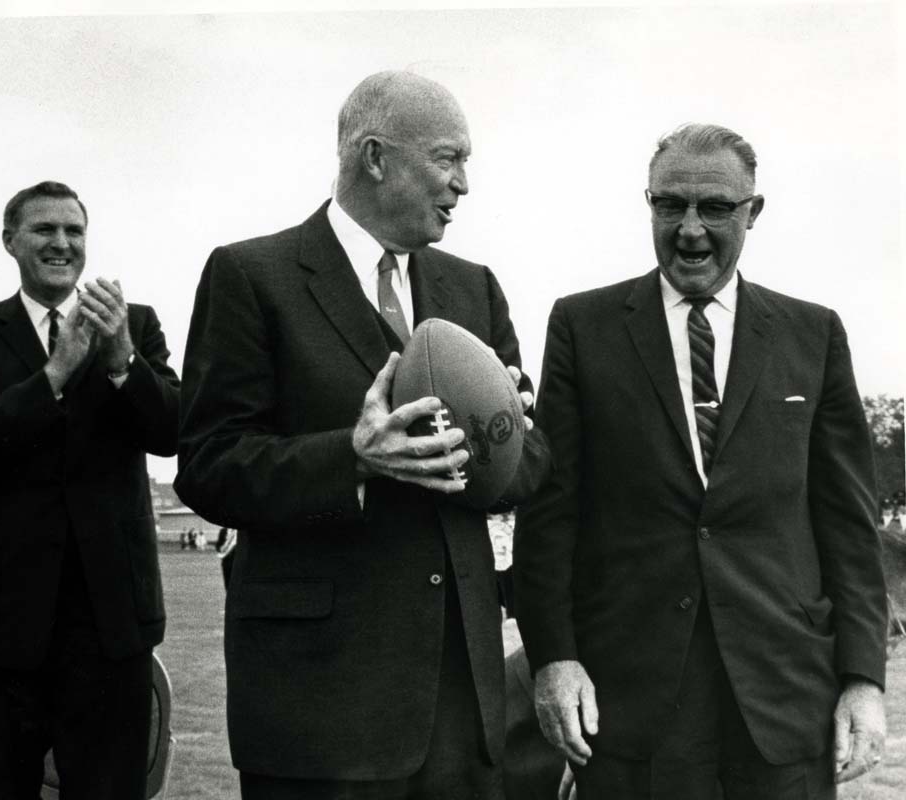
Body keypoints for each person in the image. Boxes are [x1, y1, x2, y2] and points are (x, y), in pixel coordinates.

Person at [175, 70, 549, 799]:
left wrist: (509, 445)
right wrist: (352, 459)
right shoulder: (252, 276)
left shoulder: (475, 288)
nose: (463, 183)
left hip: (459, 700)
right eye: (449, 158)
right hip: (319, 702)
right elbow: (210, 465)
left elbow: (529, 457)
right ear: (376, 157)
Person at [513, 123, 887, 800]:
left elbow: (849, 526)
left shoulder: (814, 334)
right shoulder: (582, 327)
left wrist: (862, 679)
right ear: (648, 204)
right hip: (631, 704)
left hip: (783, 698)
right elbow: (550, 515)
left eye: (715, 208)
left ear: (754, 212)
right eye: (670, 205)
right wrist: (555, 658)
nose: (689, 230)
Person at [0, 181, 180, 799]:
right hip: (4, 619)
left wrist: (122, 361)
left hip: (111, 619)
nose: (62, 243)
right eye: (45, 229)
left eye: (74, 230)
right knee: (1, 785)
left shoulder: (135, 324)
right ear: (10, 240)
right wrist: (58, 371)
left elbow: (173, 431)